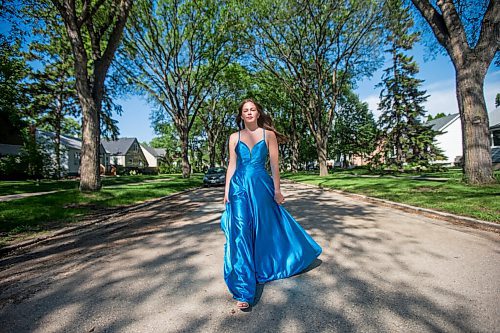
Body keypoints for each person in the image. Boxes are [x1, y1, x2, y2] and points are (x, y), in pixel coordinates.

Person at [220, 98, 322, 310]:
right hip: (239, 187)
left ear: (258, 113)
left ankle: (270, 263)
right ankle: (244, 290)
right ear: (241, 115)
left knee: (264, 229)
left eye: (253, 109)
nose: (249, 113)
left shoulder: (269, 136)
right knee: (240, 232)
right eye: (245, 110)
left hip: (261, 186)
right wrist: (226, 191)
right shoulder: (233, 137)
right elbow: (232, 165)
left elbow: (275, 166)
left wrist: (277, 190)